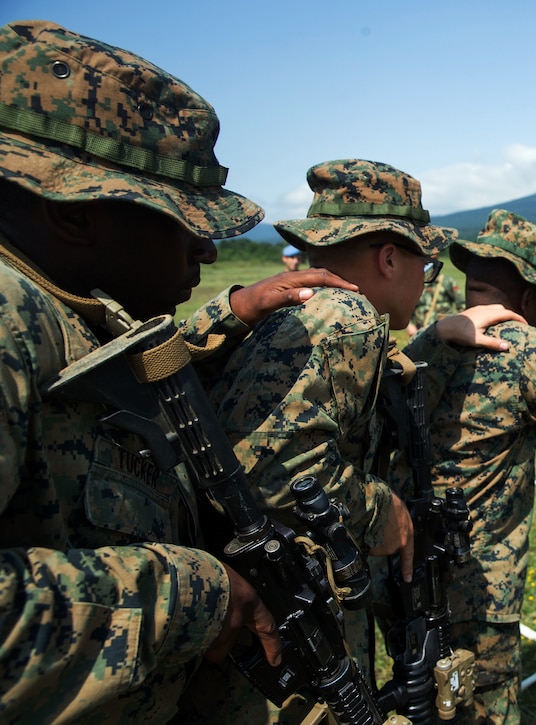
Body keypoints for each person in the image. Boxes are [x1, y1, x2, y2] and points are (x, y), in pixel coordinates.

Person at [0, 19, 362, 721]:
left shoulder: (58, 306)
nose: (208, 253)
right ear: (69, 212)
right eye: (183, 221)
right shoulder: (11, 319)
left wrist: (231, 313)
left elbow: (112, 368)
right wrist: (200, 595)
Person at [194, 160, 518, 720]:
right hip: (286, 612)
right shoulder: (349, 316)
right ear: (390, 258)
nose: (428, 281)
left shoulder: (303, 305)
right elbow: (271, 467)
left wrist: (436, 336)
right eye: (427, 264)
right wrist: (379, 508)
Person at [396, 209, 536, 723]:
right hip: (480, 588)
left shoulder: (430, 342)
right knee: (482, 706)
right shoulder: (530, 351)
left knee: (410, 696)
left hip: (398, 566)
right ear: (528, 297)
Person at [406, 264, 464, 336]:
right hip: (419, 333)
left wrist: (452, 325)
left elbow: (462, 306)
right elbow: (406, 307)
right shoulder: (415, 283)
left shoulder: (447, 281)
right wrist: (410, 325)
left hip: (443, 334)